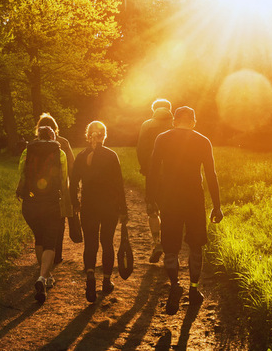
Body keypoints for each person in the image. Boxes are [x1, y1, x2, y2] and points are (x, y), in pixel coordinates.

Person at [146, 106, 223, 315]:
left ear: (174, 121)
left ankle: (174, 285)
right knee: (196, 245)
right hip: (194, 200)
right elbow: (211, 174)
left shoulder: (162, 138)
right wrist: (217, 205)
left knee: (170, 248)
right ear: (193, 122)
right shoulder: (202, 141)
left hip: (169, 199)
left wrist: (150, 199)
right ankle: (194, 290)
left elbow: (153, 170)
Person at [70, 121, 128, 303]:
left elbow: (73, 184)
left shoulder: (81, 156)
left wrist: (75, 204)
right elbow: (119, 184)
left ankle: (90, 279)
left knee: (91, 244)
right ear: (104, 135)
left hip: (89, 206)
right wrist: (123, 209)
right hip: (109, 207)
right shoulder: (111, 156)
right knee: (107, 242)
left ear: (88, 135)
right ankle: (106, 281)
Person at [16, 126, 73, 304]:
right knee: (50, 241)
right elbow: (64, 179)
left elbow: (21, 173)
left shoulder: (27, 150)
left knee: (39, 238)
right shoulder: (60, 152)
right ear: (53, 136)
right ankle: (43, 277)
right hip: (51, 203)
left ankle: (46, 275)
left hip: (30, 203)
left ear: (38, 136)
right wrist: (66, 200)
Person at [136, 98, 173, 263]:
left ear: (154, 110)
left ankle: (157, 243)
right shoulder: (176, 124)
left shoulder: (147, 124)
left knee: (152, 209)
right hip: (173, 175)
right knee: (170, 211)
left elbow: (141, 148)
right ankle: (169, 245)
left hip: (153, 174)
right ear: (170, 109)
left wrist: (145, 167)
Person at [36, 113, 75, 265]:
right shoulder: (63, 142)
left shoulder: (34, 145)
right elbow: (71, 165)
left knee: (42, 222)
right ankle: (56, 255)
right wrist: (74, 187)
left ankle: (44, 255)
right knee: (59, 222)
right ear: (55, 128)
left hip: (40, 190)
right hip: (60, 191)